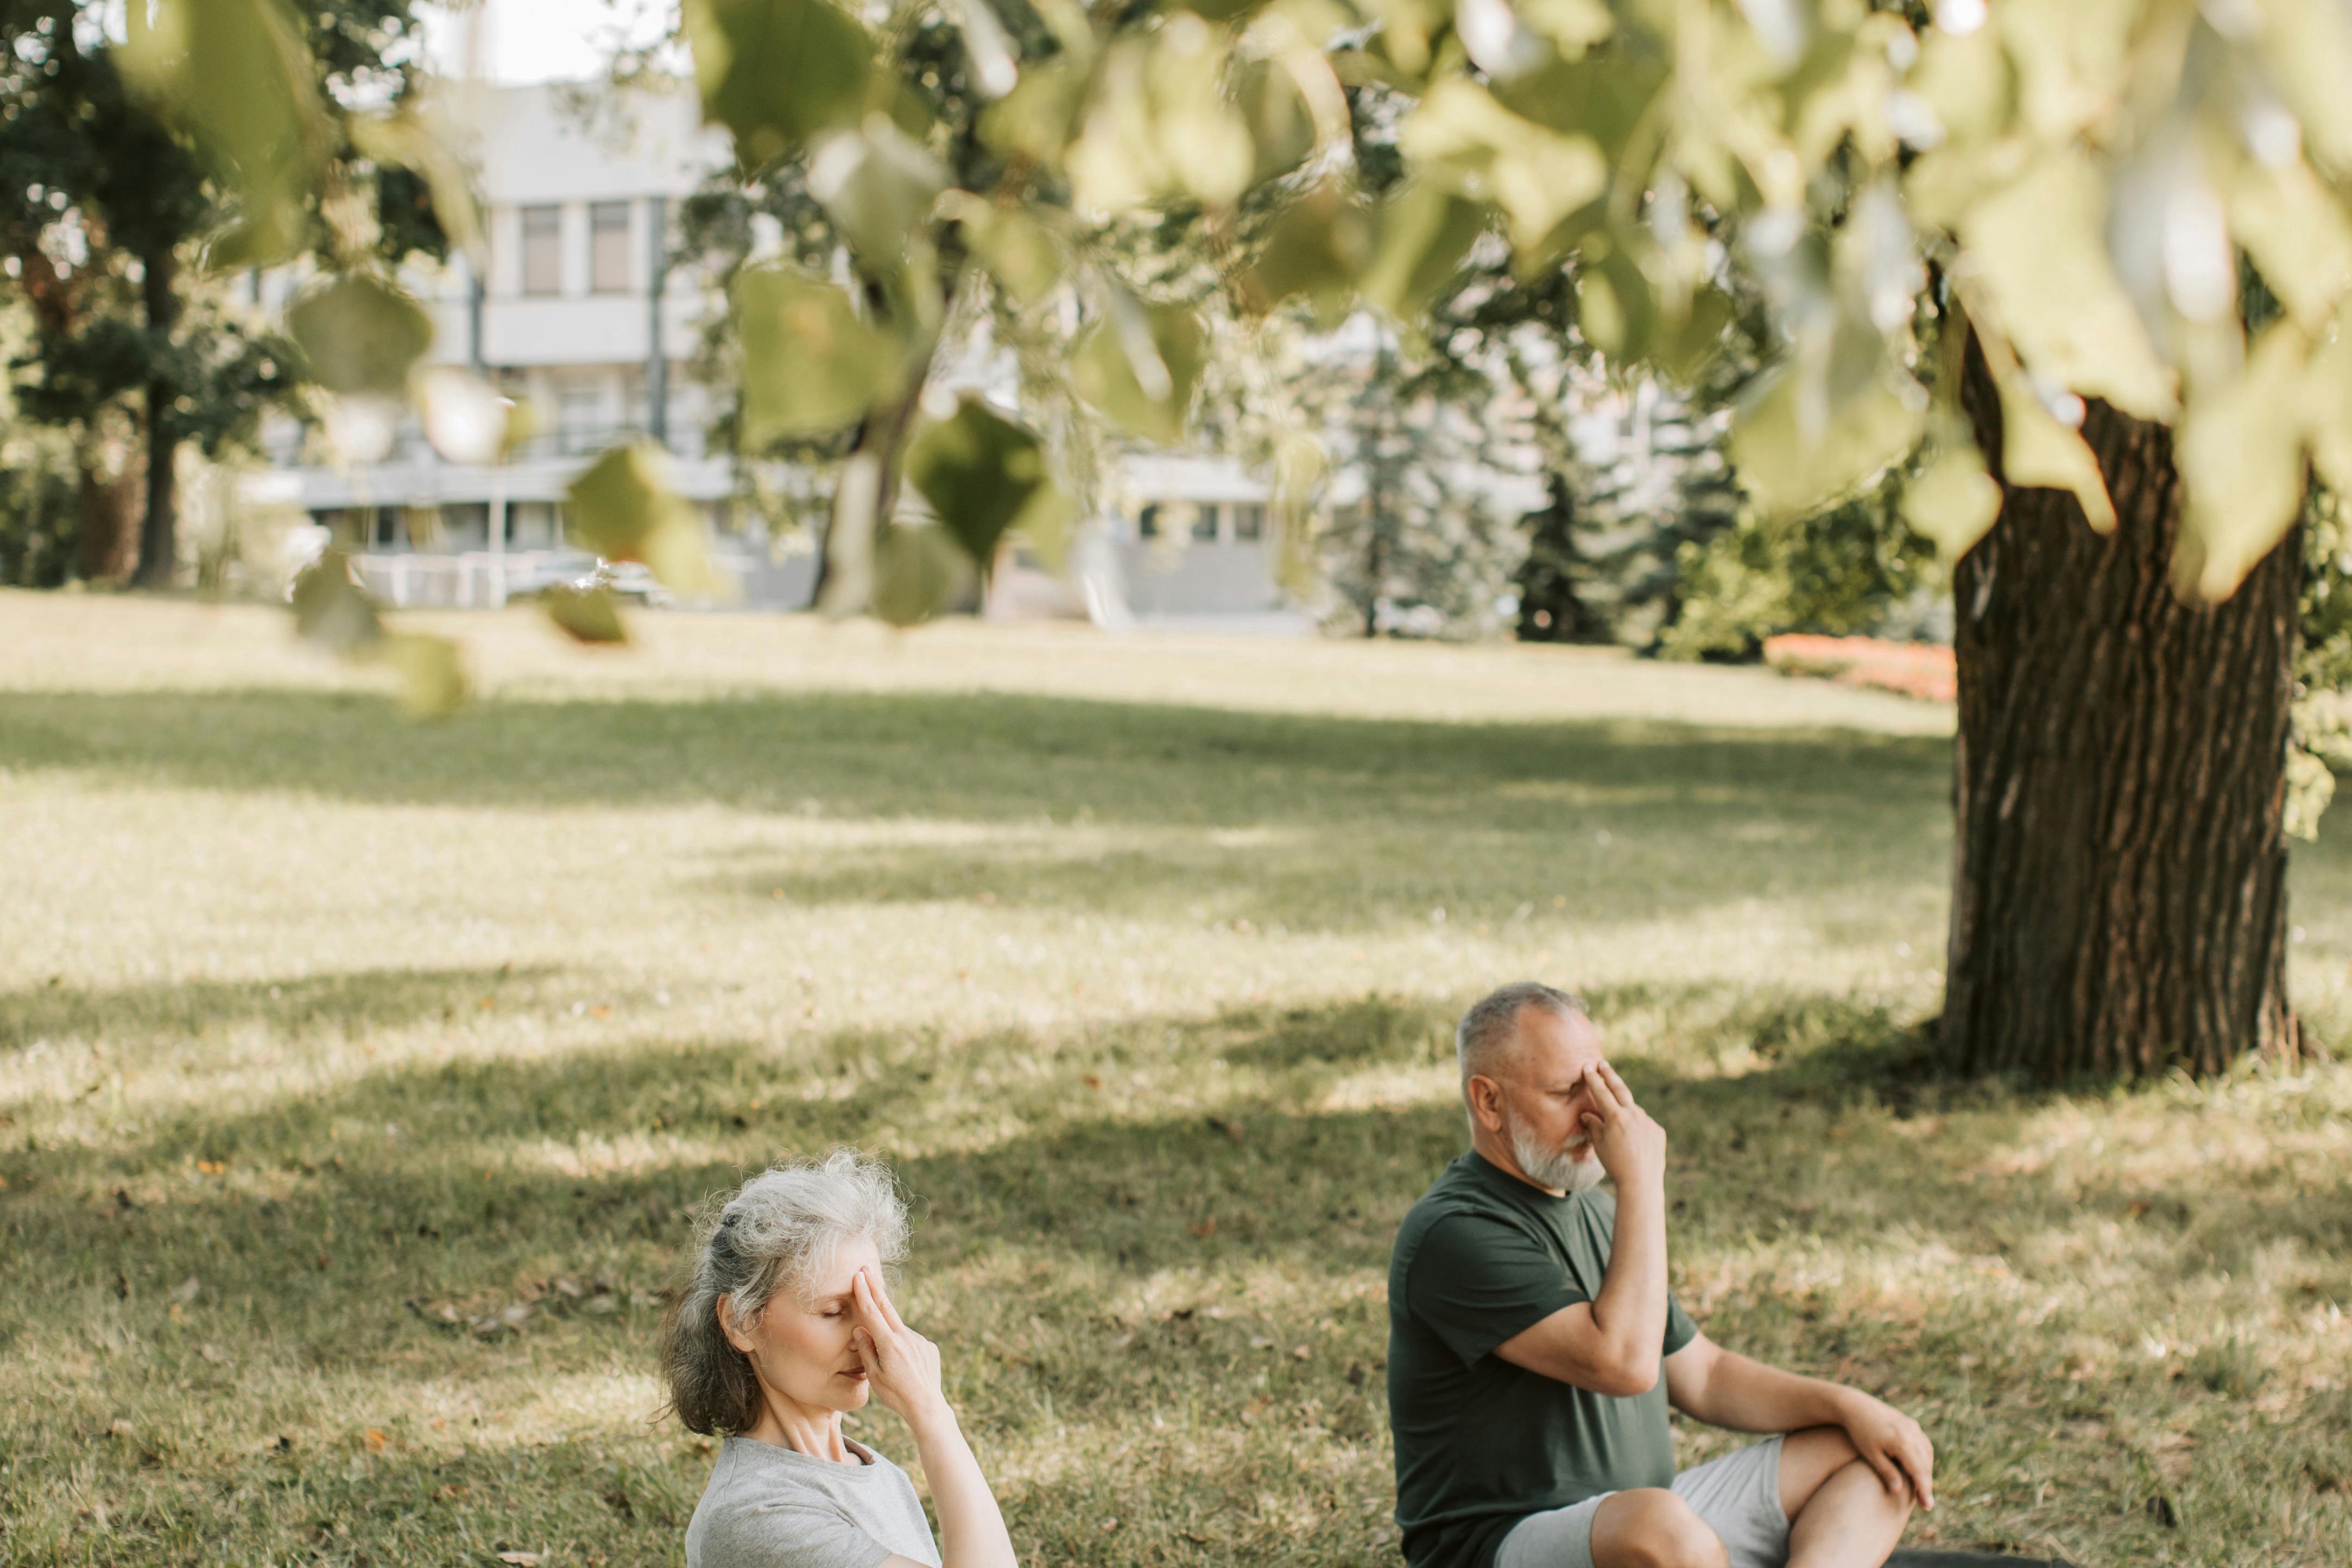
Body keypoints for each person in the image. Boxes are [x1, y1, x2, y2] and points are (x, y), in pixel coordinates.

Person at [1388, 983, 1936, 1568]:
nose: (1597, 1112)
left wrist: (1850, 1404)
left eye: (1599, 1081)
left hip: (1650, 1524)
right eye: (1567, 1091)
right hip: (1504, 1544)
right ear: (1489, 1101)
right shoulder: (1454, 1231)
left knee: (1876, 1456)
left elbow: (1705, 1373)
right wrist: (1643, 1180)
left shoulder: (1599, 1212)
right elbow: (1622, 1363)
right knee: (1660, 1525)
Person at [665, 1151, 1019, 1568]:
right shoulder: (757, 1517)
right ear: (741, 1322)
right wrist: (932, 1415)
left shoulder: (873, 1472)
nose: (868, 1335)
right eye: (833, 1311)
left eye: (875, 1305)